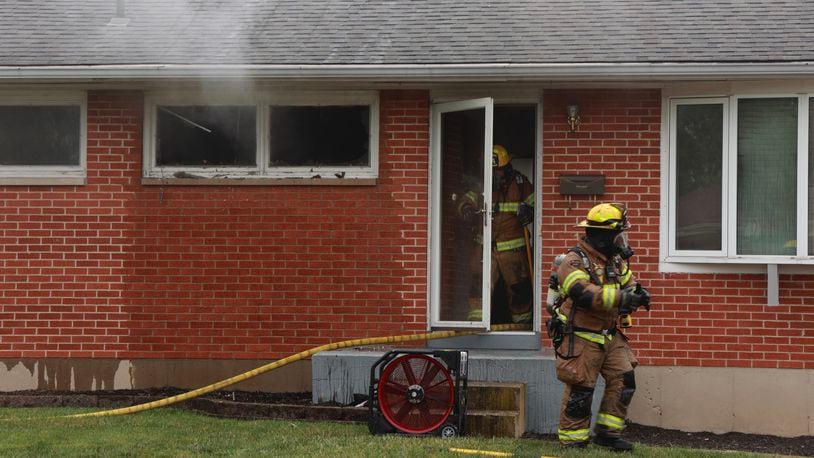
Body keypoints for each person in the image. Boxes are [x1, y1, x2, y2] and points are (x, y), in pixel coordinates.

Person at [551, 203, 651, 451]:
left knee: (624, 380)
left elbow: (629, 283)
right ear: (604, 236)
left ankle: (607, 434)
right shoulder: (574, 261)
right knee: (581, 392)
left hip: (609, 336)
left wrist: (638, 293)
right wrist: (622, 299)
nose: (622, 241)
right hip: (582, 337)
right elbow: (584, 294)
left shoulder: (613, 261)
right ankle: (573, 442)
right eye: (618, 235)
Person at [458, 145, 535, 324]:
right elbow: (465, 201)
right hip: (484, 249)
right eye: (490, 171)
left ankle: (522, 328)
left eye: (497, 171)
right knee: (479, 288)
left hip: (514, 252)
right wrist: (466, 209)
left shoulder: (521, 184)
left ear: (507, 169)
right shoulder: (480, 185)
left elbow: (536, 205)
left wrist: (528, 212)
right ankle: (476, 324)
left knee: (520, 291)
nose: (494, 176)